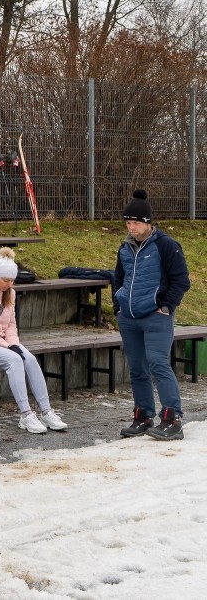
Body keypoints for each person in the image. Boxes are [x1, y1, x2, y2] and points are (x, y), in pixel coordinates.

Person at [0, 247, 68, 434]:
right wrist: (8, 347)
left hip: (3, 340)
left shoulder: (10, 292)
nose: (9, 284)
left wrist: (13, 343)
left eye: (12, 280)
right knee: (14, 360)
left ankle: (46, 411)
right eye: (5, 280)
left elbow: (11, 324)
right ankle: (26, 414)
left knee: (30, 359)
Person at [113, 189, 190, 441]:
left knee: (158, 363)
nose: (131, 227)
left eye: (135, 223)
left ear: (147, 222)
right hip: (129, 317)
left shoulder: (166, 245)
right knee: (137, 369)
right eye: (128, 223)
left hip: (156, 316)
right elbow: (119, 278)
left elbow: (181, 280)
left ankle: (172, 418)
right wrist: (118, 305)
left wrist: (166, 306)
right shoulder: (125, 247)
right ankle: (143, 416)